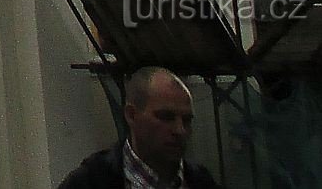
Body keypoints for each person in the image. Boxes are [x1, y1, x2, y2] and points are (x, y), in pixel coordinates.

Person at [56, 67, 221, 189]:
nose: (179, 130)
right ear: (131, 115)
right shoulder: (90, 181)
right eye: (165, 117)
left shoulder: (201, 181)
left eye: (186, 120)